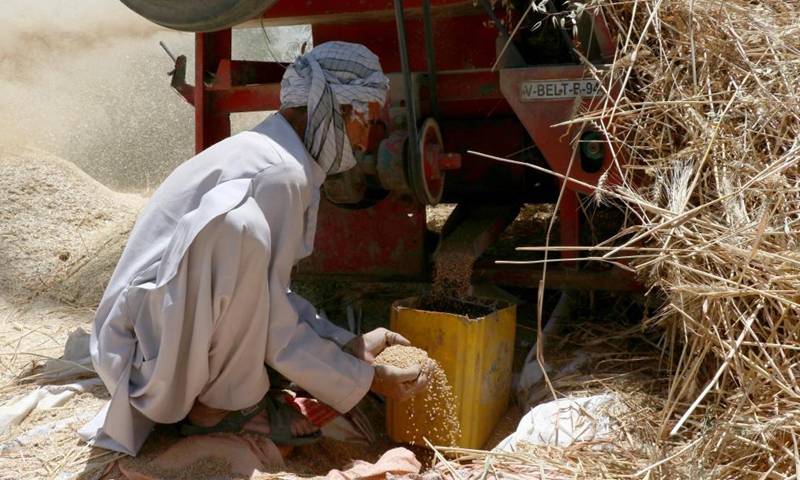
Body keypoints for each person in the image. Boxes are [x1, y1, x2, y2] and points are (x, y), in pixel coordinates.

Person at [79, 41, 433, 456]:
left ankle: (224, 389)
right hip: (143, 361)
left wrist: (343, 344)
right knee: (238, 227)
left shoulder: (273, 154)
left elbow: (263, 296)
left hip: (146, 337)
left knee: (241, 239)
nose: (366, 141)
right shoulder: (280, 173)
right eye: (367, 120)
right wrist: (366, 379)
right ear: (333, 109)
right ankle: (217, 407)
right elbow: (273, 326)